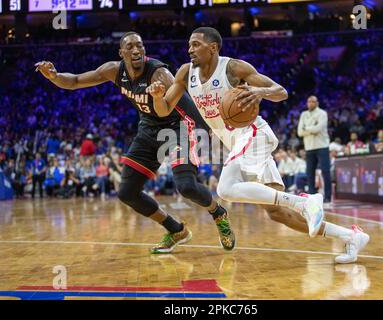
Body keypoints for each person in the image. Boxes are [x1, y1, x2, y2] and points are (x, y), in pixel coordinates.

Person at [147, 27, 369, 263]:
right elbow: (164, 110)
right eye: (189, 44)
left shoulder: (233, 68)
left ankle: (306, 201)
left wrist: (258, 91)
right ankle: (351, 237)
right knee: (278, 213)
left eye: (195, 44)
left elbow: (281, 92)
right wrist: (159, 97)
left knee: (225, 189)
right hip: (240, 144)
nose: (189, 49)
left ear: (213, 47)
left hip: (254, 133)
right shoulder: (184, 73)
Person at [35, 31, 235, 254]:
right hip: (149, 128)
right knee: (127, 192)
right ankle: (175, 229)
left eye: (139, 45)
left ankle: (218, 213)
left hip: (178, 127)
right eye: (129, 47)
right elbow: (75, 81)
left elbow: (188, 104)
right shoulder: (113, 70)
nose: (136, 50)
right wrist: (53, 76)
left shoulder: (160, 73)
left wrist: (206, 131)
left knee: (186, 186)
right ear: (121, 53)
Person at [297, 96, 332, 204]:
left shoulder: (322, 113)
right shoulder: (304, 114)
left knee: (326, 171)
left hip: (322, 146)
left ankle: (327, 197)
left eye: (313, 101)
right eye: (309, 102)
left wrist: (306, 129)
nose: (310, 103)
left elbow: (319, 129)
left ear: (317, 103)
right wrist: (312, 130)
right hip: (309, 147)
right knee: (310, 173)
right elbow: (299, 132)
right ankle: (312, 196)